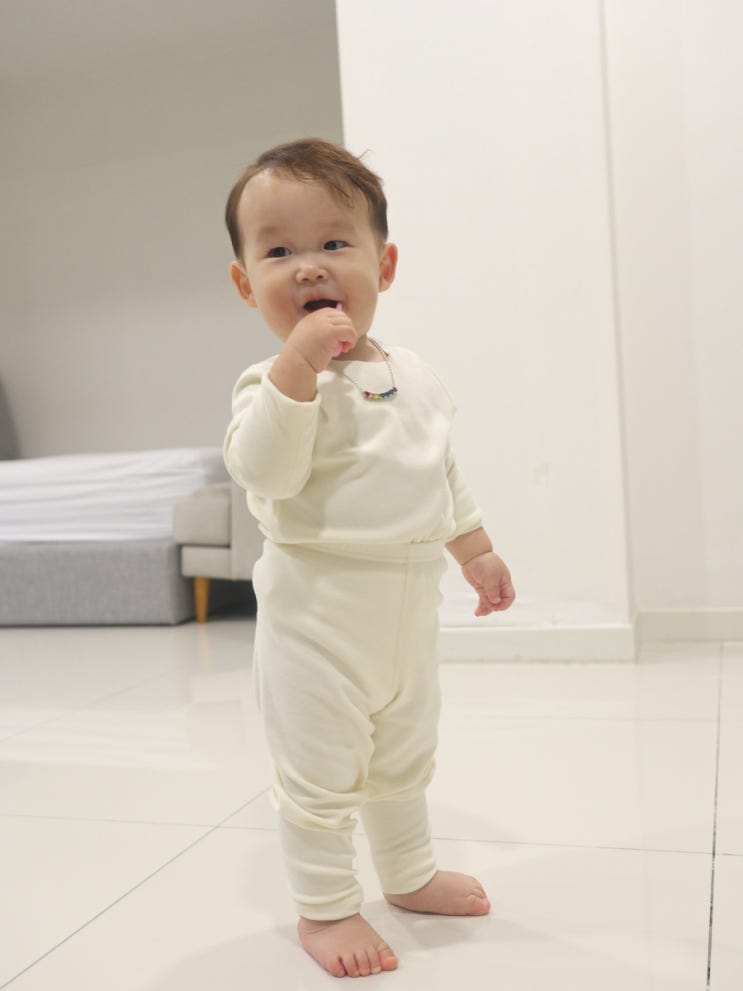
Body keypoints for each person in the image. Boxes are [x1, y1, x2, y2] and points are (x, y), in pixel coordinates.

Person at [223, 138, 515, 979]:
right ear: (246, 284)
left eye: (332, 242)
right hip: (315, 622)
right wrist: (297, 368)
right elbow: (264, 471)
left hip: (405, 613)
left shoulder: (412, 374)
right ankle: (324, 906)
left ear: (383, 265)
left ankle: (409, 872)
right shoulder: (268, 385)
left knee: (402, 756)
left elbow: (438, 469)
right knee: (320, 772)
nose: (309, 266)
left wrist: (475, 549)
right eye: (278, 251)